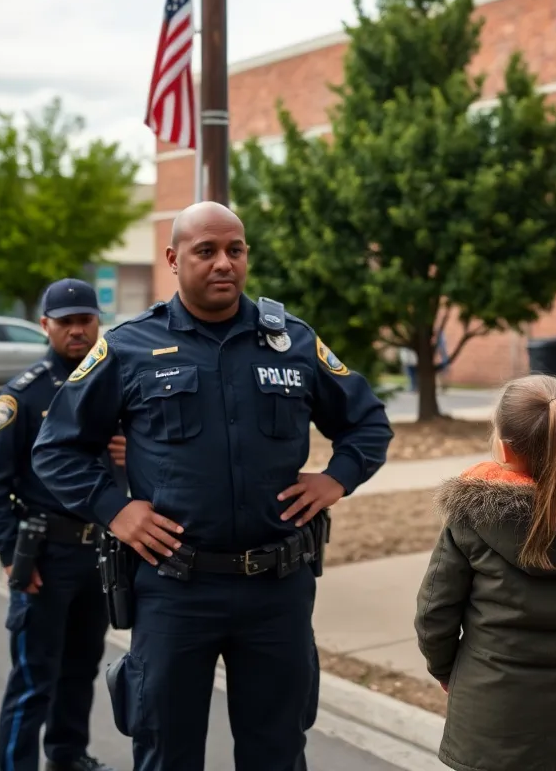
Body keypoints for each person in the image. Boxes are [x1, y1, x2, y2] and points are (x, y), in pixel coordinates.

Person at [32, 202, 394, 771]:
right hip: (177, 590)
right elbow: (56, 448)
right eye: (206, 251)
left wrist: (336, 478)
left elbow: (368, 422)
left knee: (276, 752)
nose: (224, 263)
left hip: (278, 589)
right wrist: (115, 510)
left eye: (236, 250)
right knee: (166, 752)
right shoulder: (128, 347)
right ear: (174, 260)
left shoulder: (292, 341)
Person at [414, 374, 556, 771]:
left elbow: (435, 613)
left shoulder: (470, 519)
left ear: (503, 446)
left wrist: (448, 669)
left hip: (490, 716)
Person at [0, 278, 125, 771]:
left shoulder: (118, 385)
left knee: (81, 669)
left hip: (97, 554)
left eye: (85, 320)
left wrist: (132, 453)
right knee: (34, 677)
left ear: (97, 323)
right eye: (66, 323)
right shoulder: (23, 395)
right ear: (45, 327)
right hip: (45, 556)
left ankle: (67, 755)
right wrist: (8, 552)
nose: (77, 331)